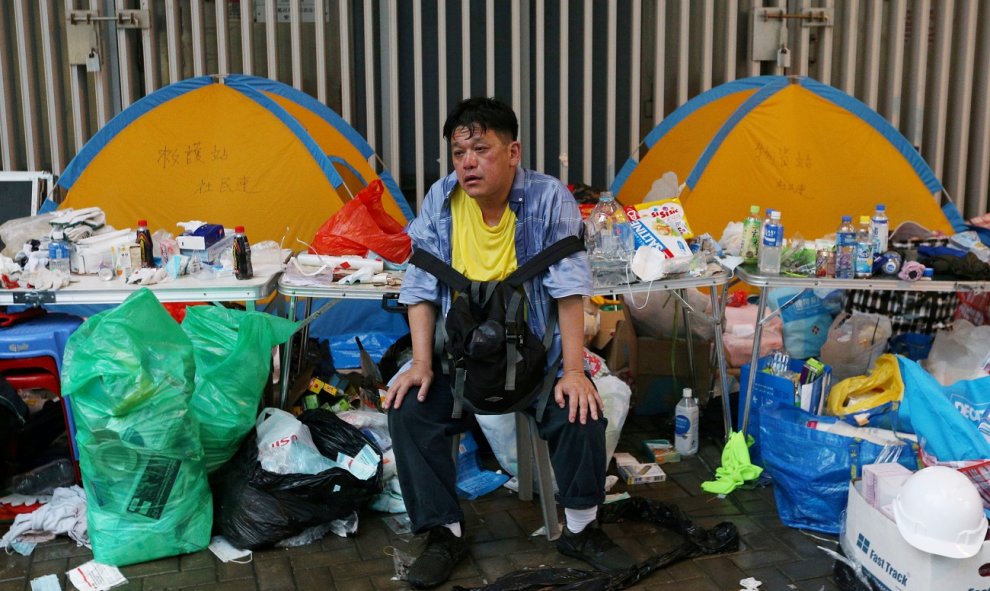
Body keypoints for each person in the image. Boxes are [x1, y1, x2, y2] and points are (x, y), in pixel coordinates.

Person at [384, 97, 635, 589]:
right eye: (459, 153)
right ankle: (444, 533)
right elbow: (419, 285)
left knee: (581, 407)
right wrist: (419, 362)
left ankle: (581, 529)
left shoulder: (548, 199)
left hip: (535, 361)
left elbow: (568, 291)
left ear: (513, 151)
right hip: (461, 362)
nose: (468, 163)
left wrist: (573, 371)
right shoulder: (441, 199)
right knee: (408, 407)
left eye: (481, 148)